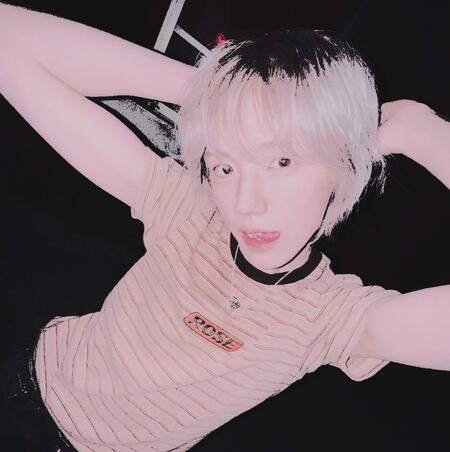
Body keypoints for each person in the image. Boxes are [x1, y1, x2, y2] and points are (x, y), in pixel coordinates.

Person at [0, 3, 449, 452]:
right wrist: (216, 96)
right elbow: (8, 38)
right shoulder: (188, 210)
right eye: (225, 167)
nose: (245, 204)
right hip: (26, 381)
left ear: (343, 169)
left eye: (282, 161)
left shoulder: (326, 318)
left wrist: (422, 133)